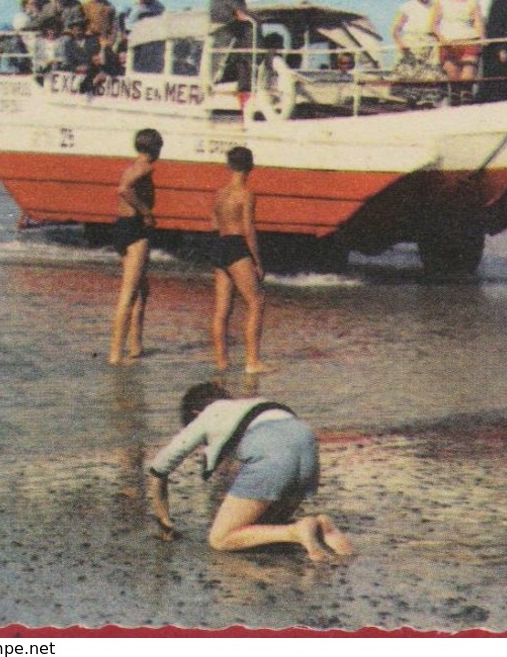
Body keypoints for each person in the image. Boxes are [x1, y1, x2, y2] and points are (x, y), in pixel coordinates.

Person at [146, 381, 353, 560]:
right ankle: (320, 528)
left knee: (221, 539)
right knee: (259, 527)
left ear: (195, 413)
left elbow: (160, 467)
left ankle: (297, 531)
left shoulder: (210, 413)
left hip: (272, 452)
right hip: (307, 446)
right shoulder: (255, 405)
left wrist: (164, 518)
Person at [210, 146, 272, 374]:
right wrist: (257, 261)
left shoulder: (219, 194)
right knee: (257, 302)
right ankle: (252, 361)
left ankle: (222, 362)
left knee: (221, 309)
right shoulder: (246, 194)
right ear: (251, 166)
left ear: (229, 166)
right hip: (237, 246)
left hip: (219, 245)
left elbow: (214, 224)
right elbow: (248, 229)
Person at [109, 128, 162, 365]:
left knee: (142, 290)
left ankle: (135, 346)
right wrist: (147, 212)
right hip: (135, 228)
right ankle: (115, 355)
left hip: (121, 227)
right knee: (129, 294)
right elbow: (124, 190)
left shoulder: (131, 166)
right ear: (156, 148)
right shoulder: (145, 167)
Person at [430, 0, 484, 102]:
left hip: (469, 41)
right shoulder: (440, 0)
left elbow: (478, 22)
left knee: (467, 84)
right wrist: (442, 39)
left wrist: (481, 38)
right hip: (449, 43)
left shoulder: (472, 0)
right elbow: (433, 25)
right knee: (454, 85)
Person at [209, 0, 256, 92]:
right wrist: (237, 11)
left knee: (253, 30)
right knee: (230, 40)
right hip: (223, 12)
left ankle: (246, 82)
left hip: (239, 12)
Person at [391, 0, 438, 74]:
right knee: (408, 72)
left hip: (430, 43)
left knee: (429, 73)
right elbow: (395, 30)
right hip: (412, 42)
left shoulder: (435, 6)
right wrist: (402, 45)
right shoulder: (407, 6)